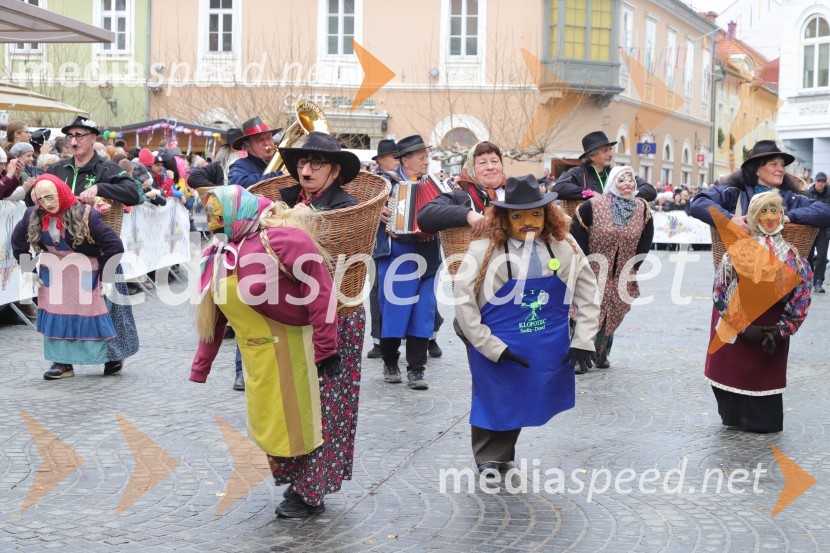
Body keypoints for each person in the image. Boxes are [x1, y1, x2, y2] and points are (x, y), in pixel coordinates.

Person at [191, 185, 363, 519]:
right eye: (209, 214)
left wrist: (326, 348)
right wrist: (202, 365)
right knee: (276, 429)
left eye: (217, 213)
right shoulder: (222, 255)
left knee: (311, 425)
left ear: (236, 211)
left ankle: (309, 493)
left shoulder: (282, 240)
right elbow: (213, 316)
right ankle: (299, 485)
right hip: (260, 361)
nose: (212, 221)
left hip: (299, 350)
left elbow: (320, 290)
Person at [454, 175, 599, 476]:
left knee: (525, 390)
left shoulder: (564, 244)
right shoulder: (483, 249)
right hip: (493, 336)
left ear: (548, 215)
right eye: (518, 216)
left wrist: (583, 339)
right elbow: (463, 301)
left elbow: (587, 290)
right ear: (505, 219)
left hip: (543, 338)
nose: (528, 222)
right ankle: (489, 458)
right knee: (493, 391)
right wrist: (491, 346)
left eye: (536, 214)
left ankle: (503, 454)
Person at [706, 191, 813, 433]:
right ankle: (735, 417)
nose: (770, 217)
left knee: (767, 414)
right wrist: (743, 328)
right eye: (763, 211)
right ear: (754, 216)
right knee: (733, 384)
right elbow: (720, 292)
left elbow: (801, 298)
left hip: (771, 334)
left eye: (774, 210)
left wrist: (782, 331)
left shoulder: (793, 257)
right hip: (741, 330)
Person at [48, 115, 141, 376]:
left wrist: (100, 189)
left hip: (99, 247)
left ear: (92, 138)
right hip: (62, 251)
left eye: (79, 135)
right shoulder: (59, 169)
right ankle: (62, 361)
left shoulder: (106, 169)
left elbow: (133, 193)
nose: (74, 140)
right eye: (70, 136)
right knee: (60, 305)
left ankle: (114, 354)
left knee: (106, 304)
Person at [11, 174, 124, 380]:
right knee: (57, 315)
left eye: (50, 197)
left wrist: (107, 276)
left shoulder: (86, 215)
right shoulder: (32, 215)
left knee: (93, 314)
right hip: (53, 273)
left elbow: (114, 246)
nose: (47, 204)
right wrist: (29, 270)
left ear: (62, 193)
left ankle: (109, 356)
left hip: (84, 270)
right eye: (41, 199)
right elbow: (18, 242)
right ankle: (62, 363)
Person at [569, 166, 654, 372]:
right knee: (587, 309)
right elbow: (577, 231)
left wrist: (633, 266)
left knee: (611, 311)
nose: (627, 184)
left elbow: (646, 238)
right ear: (612, 183)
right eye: (621, 180)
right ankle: (581, 355)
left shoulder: (642, 209)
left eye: (630, 180)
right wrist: (585, 263)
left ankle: (601, 352)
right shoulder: (593, 206)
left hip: (621, 272)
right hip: (594, 268)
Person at [375, 135, 441, 390]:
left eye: (426, 156)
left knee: (423, 313)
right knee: (394, 310)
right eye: (422, 156)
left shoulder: (434, 185)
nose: (426, 161)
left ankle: (416, 369)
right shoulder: (384, 185)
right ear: (405, 160)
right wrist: (377, 212)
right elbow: (363, 209)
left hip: (427, 255)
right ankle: (390, 361)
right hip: (396, 255)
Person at [690, 141, 830, 231]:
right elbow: (698, 203)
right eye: (773, 164)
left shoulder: (790, 197)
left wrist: (787, 217)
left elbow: (825, 212)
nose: (781, 169)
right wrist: (729, 220)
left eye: (782, 165)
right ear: (756, 170)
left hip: (780, 272)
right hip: (740, 270)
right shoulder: (734, 192)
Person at [418, 140, 506, 238]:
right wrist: (466, 214)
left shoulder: (514, 193)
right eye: (482, 162)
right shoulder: (461, 197)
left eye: (494, 161)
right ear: (471, 169)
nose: (490, 167)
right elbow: (424, 216)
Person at [552, 131, 657, 202]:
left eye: (610, 149)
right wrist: (590, 193)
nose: (610, 154)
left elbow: (650, 191)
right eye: (605, 151)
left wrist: (625, 195)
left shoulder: (617, 173)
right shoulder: (578, 173)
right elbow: (559, 188)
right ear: (592, 156)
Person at [366, 139, 400, 359]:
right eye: (393, 156)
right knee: (377, 291)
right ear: (380, 160)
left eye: (399, 156)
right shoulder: (371, 183)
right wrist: (375, 211)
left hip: (405, 244)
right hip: (377, 244)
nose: (397, 160)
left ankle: (429, 338)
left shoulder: (408, 180)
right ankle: (378, 341)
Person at [276, 131, 360, 210]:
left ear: (335, 170)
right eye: (302, 162)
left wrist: (313, 218)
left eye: (316, 163)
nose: (305, 172)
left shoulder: (347, 208)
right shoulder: (285, 199)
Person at [227, 117, 283, 188]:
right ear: (247, 146)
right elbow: (235, 183)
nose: (266, 143)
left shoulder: (283, 160)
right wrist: (279, 176)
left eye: (269, 138)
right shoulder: (240, 165)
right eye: (260, 140)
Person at [807, 171, 830, 293]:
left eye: (823, 181)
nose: (821, 183)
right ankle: (809, 279)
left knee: (822, 256)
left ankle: (818, 281)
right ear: (815, 181)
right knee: (808, 256)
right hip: (810, 229)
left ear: (826, 182)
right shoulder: (808, 193)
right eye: (818, 181)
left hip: (824, 230)